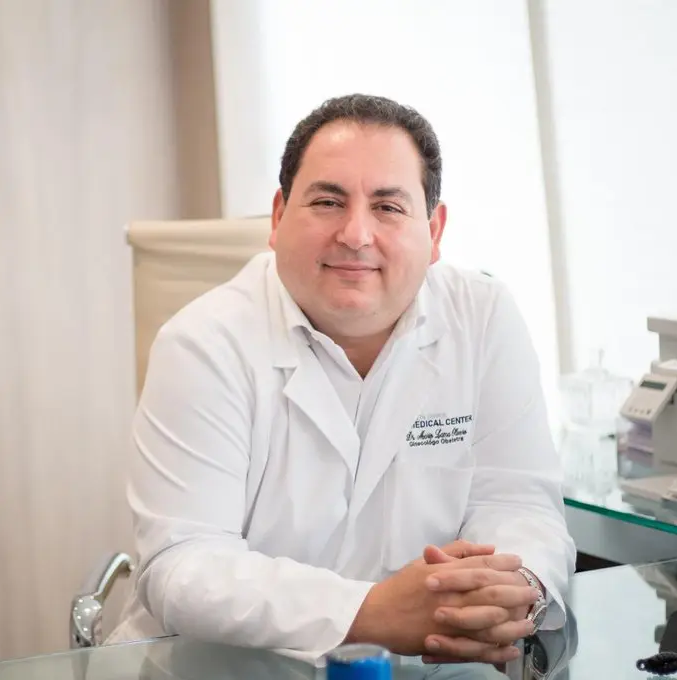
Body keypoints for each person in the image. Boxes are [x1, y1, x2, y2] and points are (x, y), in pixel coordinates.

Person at [110, 94, 575, 666]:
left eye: (388, 207)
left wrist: (510, 592)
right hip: (216, 667)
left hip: (435, 660)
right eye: (328, 202)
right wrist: (370, 612)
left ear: (434, 230)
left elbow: (520, 501)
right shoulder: (203, 343)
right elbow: (183, 565)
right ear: (278, 217)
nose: (356, 234)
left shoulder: (483, 317)